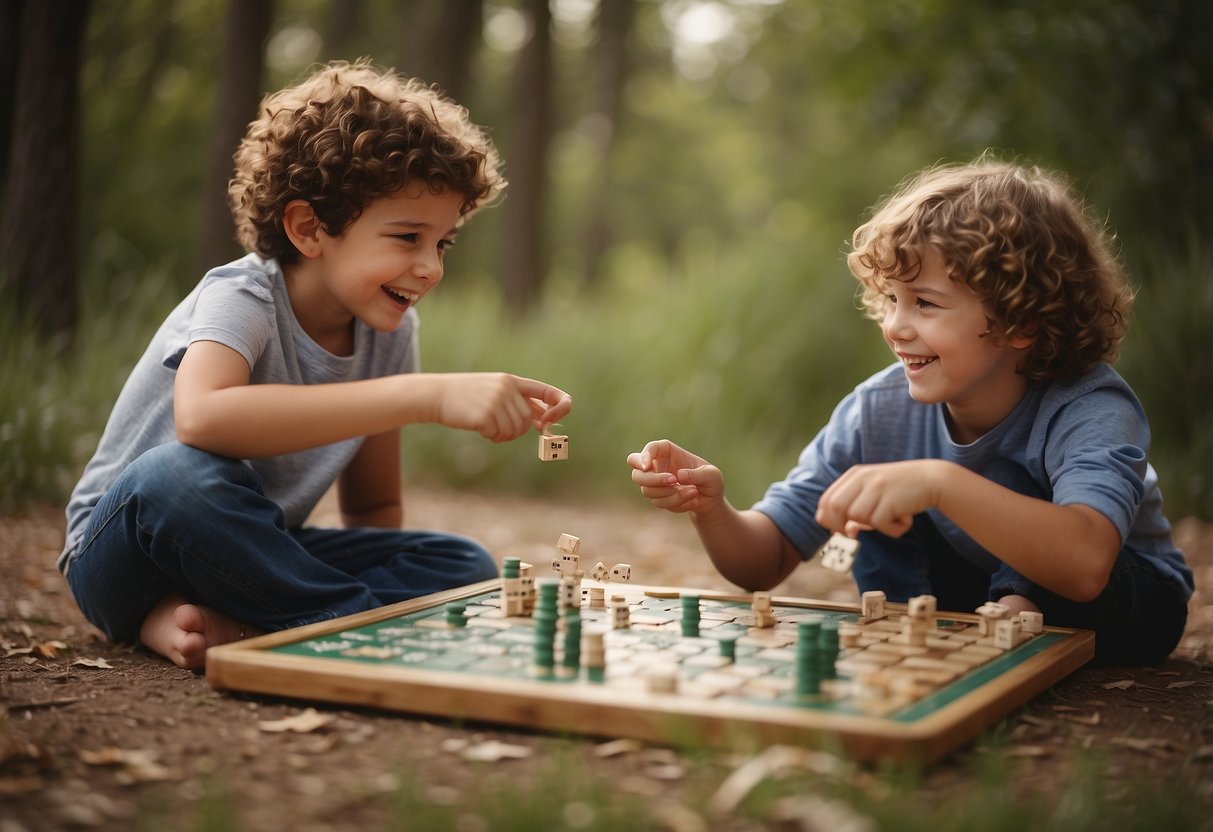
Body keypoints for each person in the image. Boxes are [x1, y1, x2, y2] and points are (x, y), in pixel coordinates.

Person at [60, 60, 572, 671]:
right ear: (308, 228)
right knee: (177, 475)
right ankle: (355, 629)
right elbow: (202, 418)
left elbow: (374, 511)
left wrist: (390, 546)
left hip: (257, 557)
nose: (431, 267)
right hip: (124, 550)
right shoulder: (242, 295)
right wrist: (426, 397)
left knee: (460, 564)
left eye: (443, 243)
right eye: (407, 238)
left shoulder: (391, 331)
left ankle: (255, 621)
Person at [628, 157, 1192, 665]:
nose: (896, 327)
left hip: (1129, 603)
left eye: (925, 303)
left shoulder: (1089, 404)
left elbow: (1088, 564)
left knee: (1011, 487)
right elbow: (766, 558)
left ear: (1021, 321)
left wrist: (938, 482)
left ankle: (1018, 605)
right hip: (964, 608)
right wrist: (712, 507)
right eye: (892, 300)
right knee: (872, 490)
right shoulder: (878, 410)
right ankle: (920, 634)